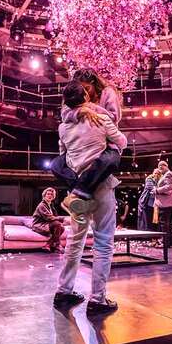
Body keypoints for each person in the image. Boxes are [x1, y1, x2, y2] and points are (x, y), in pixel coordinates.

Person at [53, 81, 127, 315]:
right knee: (104, 242)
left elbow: (63, 156)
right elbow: (122, 142)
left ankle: (63, 292)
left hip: (77, 188)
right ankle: (98, 300)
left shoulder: (62, 128)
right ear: (86, 96)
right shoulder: (101, 119)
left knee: (75, 241)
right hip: (101, 187)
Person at [51, 69, 123, 216]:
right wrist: (80, 111)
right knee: (56, 165)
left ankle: (75, 195)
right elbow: (64, 115)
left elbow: (114, 117)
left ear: (94, 83)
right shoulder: (73, 93)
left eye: (87, 88)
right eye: (82, 89)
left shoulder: (107, 92)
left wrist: (91, 108)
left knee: (110, 159)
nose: (85, 92)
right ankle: (80, 192)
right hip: (79, 144)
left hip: (104, 142)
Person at [31, 188, 66, 253]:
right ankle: (57, 245)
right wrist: (61, 219)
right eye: (48, 194)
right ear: (44, 195)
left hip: (46, 224)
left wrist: (59, 220)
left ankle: (48, 245)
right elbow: (48, 217)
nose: (50, 196)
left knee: (61, 228)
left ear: (53, 197)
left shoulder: (51, 205)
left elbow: (54, 217)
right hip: (39, 225)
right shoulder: (42, 205)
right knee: (58, 224)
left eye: (52, 194)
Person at [154, 160, 172, 249]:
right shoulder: (165, 174)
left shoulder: (168, 174)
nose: (160, 168)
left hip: (165, 202)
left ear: (166, 166)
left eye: (161, 166)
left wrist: (157, 190)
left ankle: (166, 243)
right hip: (165, 202)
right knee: (167, 223)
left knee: (164, 223)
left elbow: (170, 186)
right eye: (159, 167)